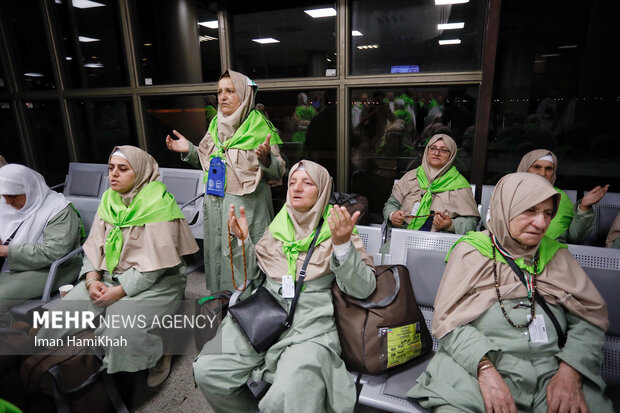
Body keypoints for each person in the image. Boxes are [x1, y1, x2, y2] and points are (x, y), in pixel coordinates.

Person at [408, 172, 613, 412]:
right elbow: (449, 322)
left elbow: (588, 320)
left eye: (548, 213)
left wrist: (571, 371)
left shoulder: (557, 255)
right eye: (530, 211)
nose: (541, 223)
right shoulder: (473, 252)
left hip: (551, 370)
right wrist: (484, 370)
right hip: (474, 367)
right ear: (505, 208)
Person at [193, 160, 376, 413]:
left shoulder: (337, 230)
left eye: (307, 183)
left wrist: (343, 246)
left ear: (322, 190)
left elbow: (364, 289)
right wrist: (243, 243)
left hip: (309, 326)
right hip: (263, 316)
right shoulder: (276, 228)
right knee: (207, 370)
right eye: (292, 182)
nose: (296, 188)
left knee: (285, 395)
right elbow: (250, 283)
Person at [36, 146, 199, 387]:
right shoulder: (109, 200)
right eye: (111, 168)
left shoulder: (159, 205)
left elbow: (155, 267)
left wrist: (119, 291)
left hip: (157, 281)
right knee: (59, 319)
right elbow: (94, 246)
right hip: (108, 275)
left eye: (123, 169)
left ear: (141, 173)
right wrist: (92, 280)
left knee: (120, 328)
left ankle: (159, 353)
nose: (113, 174)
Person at [165, 69, 286, 293]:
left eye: (230, 91)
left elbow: (279, 171)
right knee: (217, 252)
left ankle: (248, 305)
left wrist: (267, 159)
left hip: (246, 209)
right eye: (220, 91)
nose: (223, 97)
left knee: (245, 256)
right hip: (216, 203)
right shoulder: (215, 126)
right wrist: (189, 150)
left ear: (245, 95)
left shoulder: (260, 128)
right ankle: (221, 299)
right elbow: (208, 161)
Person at [0, 164, 83, 327]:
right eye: (4, 196)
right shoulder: (7, 204)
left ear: (29, 189)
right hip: (15, 265)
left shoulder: (59, 210)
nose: (8, 202)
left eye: (14, 196)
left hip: (52, 268)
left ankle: (19, 343)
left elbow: (53, 252)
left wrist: (5, 250)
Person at [383, 133, 479, 240]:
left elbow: (471, 222)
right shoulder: (410, 177)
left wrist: (450, 225)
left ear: (451, 155)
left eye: (443, 150)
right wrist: (392, 215)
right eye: (433, 148)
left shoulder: (460, 185)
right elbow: (391, 204)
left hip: (440, 241)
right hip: (403, 236)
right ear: (427, 151)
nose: (437, 153)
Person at [517, 149, 609, 244]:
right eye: (536, 167)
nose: (542, 173)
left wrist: (584, 207)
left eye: (548, 169)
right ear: (525, 169)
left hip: (551, 254)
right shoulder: (509, 194)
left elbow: (575, 238)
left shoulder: (559, 197)